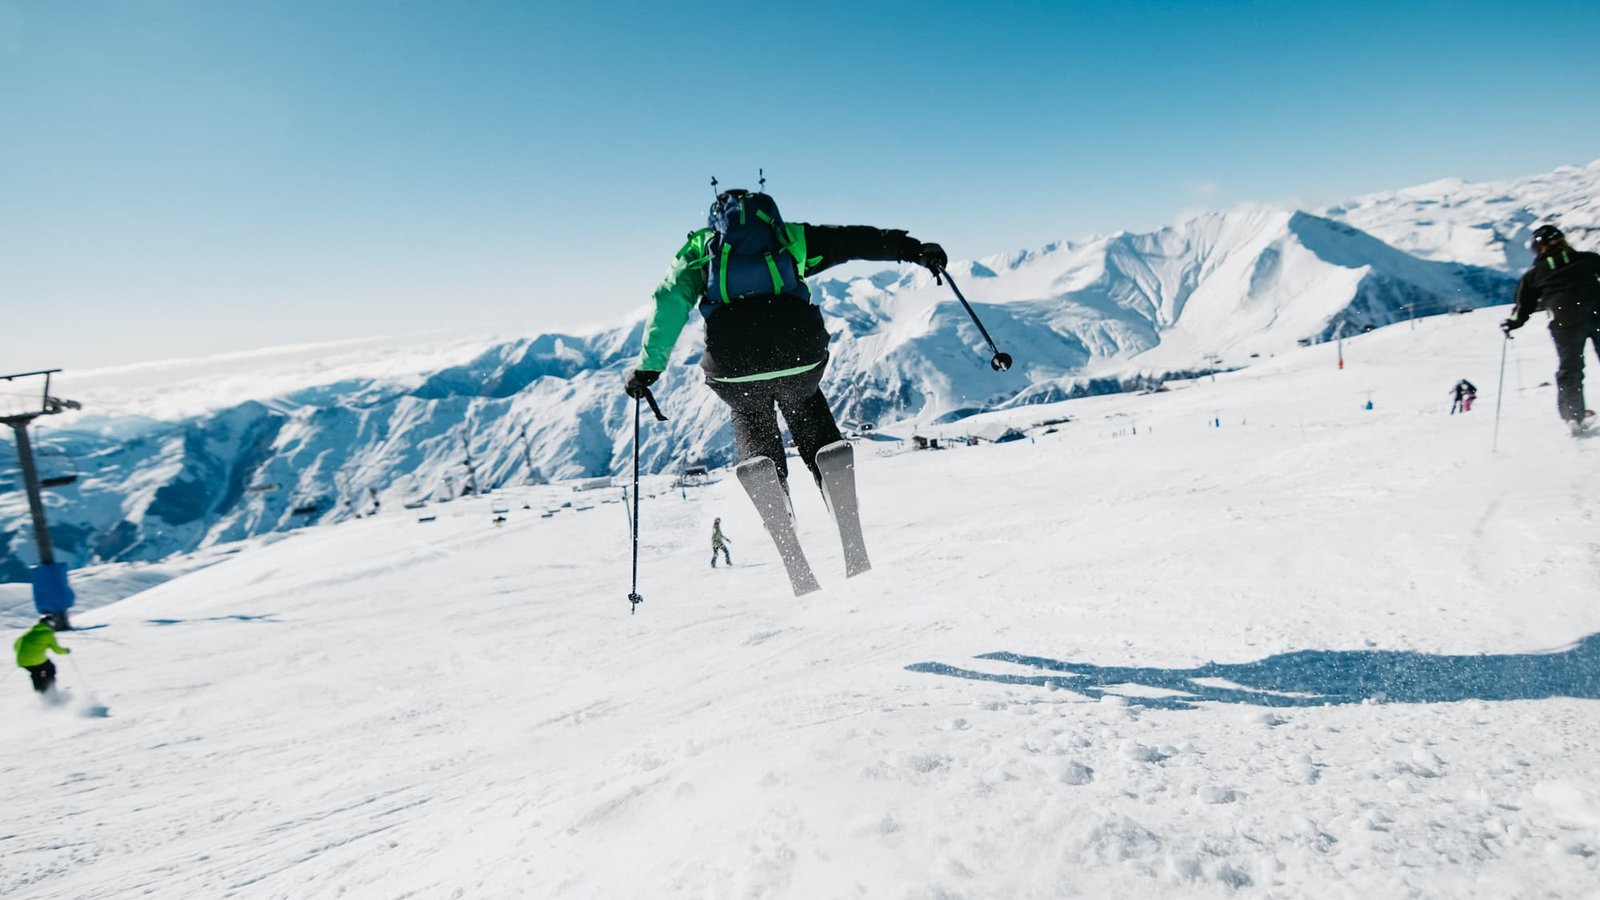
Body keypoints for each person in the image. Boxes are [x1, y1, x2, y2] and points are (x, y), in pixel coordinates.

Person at [625, 187, 946, 491]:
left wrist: (649, 367)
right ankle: (830, 467)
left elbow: (669, 301)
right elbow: (851, 241)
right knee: (803, 397)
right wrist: (915, 250)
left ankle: (765, 473)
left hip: (732, 363)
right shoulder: (788, 236)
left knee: (748, 408)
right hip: (799, 350)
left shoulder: (700, 249)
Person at [1502, 224, 1600, 435]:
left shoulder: (1534, 275)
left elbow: (1523, 307)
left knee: (1570, 368)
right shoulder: (1588, 260)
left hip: (1564, 322)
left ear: (1538, 249)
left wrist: (1511, 323)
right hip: (1596, 313)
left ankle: (1573, 415)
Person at [14, 615, 70, 694]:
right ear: (50, 624)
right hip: (37, 660)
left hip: (22, 661)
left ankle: (40, 691)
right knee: (50, 668)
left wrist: (25, 654)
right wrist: (66, 651)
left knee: (35, 672)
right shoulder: (48, 633)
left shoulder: (29, 632)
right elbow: (57, 650)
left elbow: (16, 645)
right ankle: (50, 690)